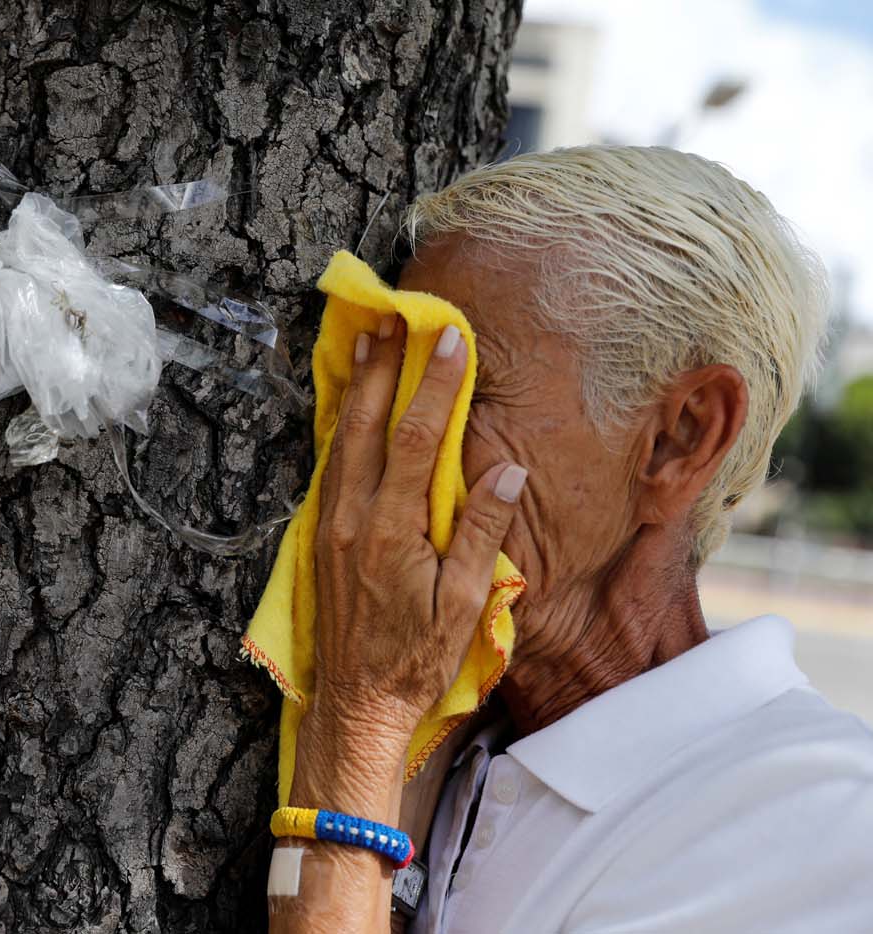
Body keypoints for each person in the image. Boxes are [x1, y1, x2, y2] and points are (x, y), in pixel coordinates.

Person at [268, 147, 873, 932]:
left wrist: (365, 717)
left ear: (677, 441)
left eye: (460, 386)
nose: (383, 438)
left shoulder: (818, 819)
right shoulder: (461, 736)